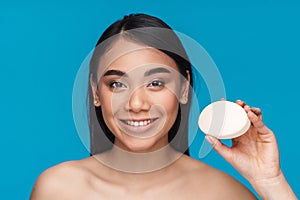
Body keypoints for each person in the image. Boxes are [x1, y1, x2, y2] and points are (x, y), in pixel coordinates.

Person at [30, 14, 297, 199]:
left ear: (183, 88)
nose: (136, 104)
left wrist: (271, 183)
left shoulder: (222, 193)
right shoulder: (58, 188)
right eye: (117, 85)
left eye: (156, 83)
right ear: (95, 92)